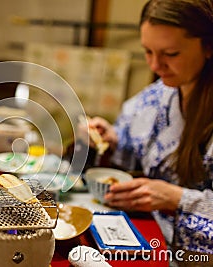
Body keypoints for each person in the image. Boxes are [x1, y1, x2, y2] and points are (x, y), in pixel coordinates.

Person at [82, 0, 213, 258]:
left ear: (208, 46)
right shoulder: (156, 97)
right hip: (147, 238)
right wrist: (113, 141)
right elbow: (133, 153)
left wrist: (178, 199)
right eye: (148, 52)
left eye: (171, 54)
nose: (155, 66)